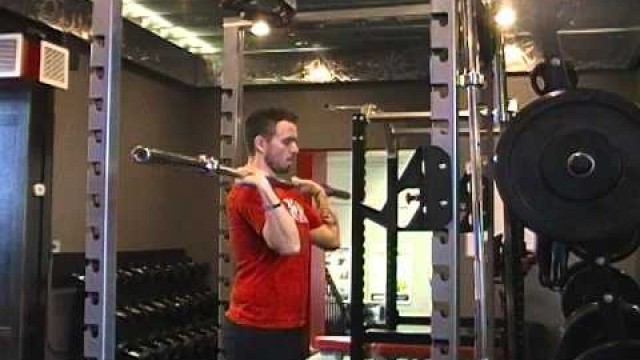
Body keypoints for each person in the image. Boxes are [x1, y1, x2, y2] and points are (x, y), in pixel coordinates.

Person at [222, 108, 341, 360]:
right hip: (256, 329)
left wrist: (319, 195)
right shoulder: (247, 191)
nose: (295, 149)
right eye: (287, 141)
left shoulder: (290, 194)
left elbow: (331, 239)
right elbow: (288, 245)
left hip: (292, 325)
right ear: (261, 144)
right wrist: (264, 187)